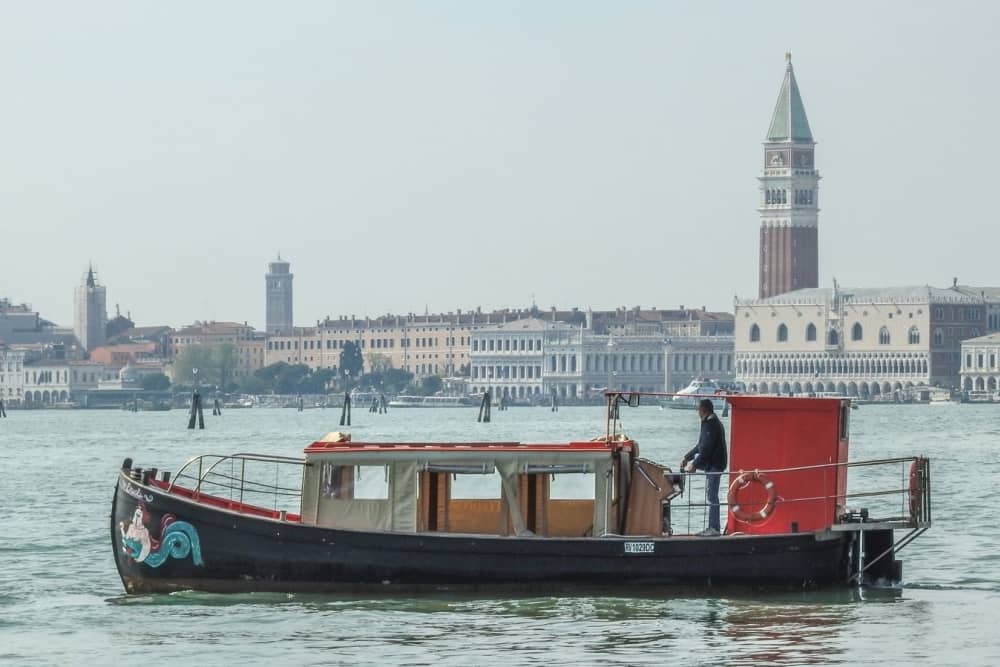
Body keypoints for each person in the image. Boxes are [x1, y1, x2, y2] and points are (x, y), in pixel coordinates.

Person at [680, 398, 728, 536]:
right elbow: (700, 446)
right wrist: (687, 457)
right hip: (713, 464)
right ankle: (712, 527)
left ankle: (714, 528)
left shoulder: (711, 425)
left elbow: (706, 450)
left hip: (715, 465)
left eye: (699, 409)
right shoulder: (708, 423)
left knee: (712, 496)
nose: (697, 412)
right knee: (711, 495)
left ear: (704, 410)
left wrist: (694, 465)